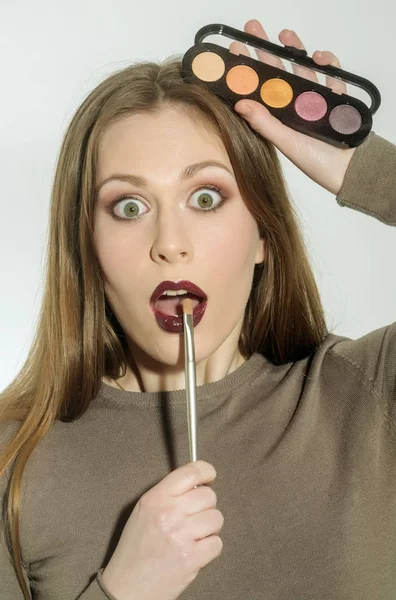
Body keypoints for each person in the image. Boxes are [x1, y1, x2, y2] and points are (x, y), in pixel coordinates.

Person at [0, 19, 395, 600]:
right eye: (129, 206)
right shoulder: (14, 462)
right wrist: (120, 591)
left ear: (264, 234)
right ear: (87, 248)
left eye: (206, 198)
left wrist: (366, 169)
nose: (170, 242)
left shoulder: (369, 394)